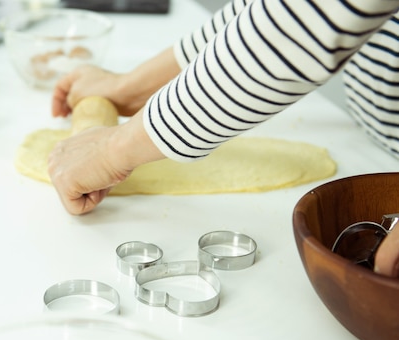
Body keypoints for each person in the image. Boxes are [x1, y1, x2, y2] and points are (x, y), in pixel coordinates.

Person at [46, 0, 399, 276]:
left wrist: (114, 150)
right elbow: (270, 15)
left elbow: (306, 21)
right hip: (369, 140)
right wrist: (131, 88)